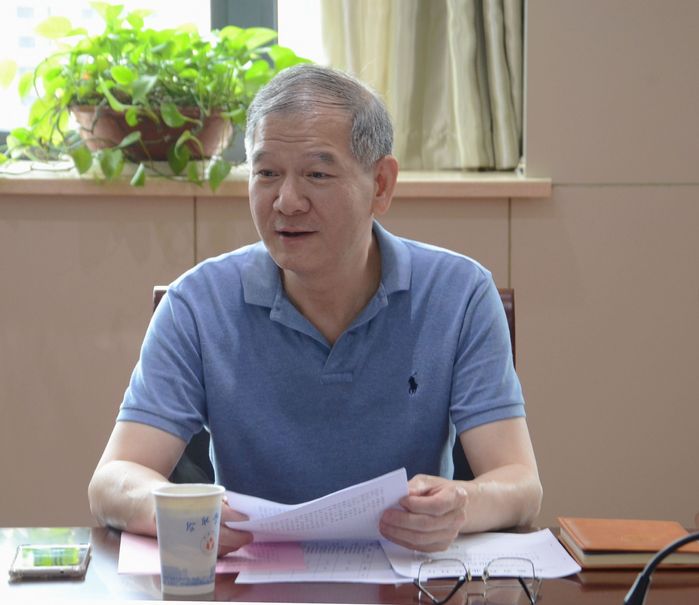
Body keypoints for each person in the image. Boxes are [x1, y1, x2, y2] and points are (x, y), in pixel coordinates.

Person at [88, 64, 542, 554]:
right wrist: (187, 510)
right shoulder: (197, 304)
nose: (286, 201)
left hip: (406, 577)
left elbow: (519, 484)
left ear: (381, 184)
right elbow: (113, 480)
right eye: (267, 173)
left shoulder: (460, 294)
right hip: (251, 577)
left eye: (317, 174)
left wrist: (460, 505)